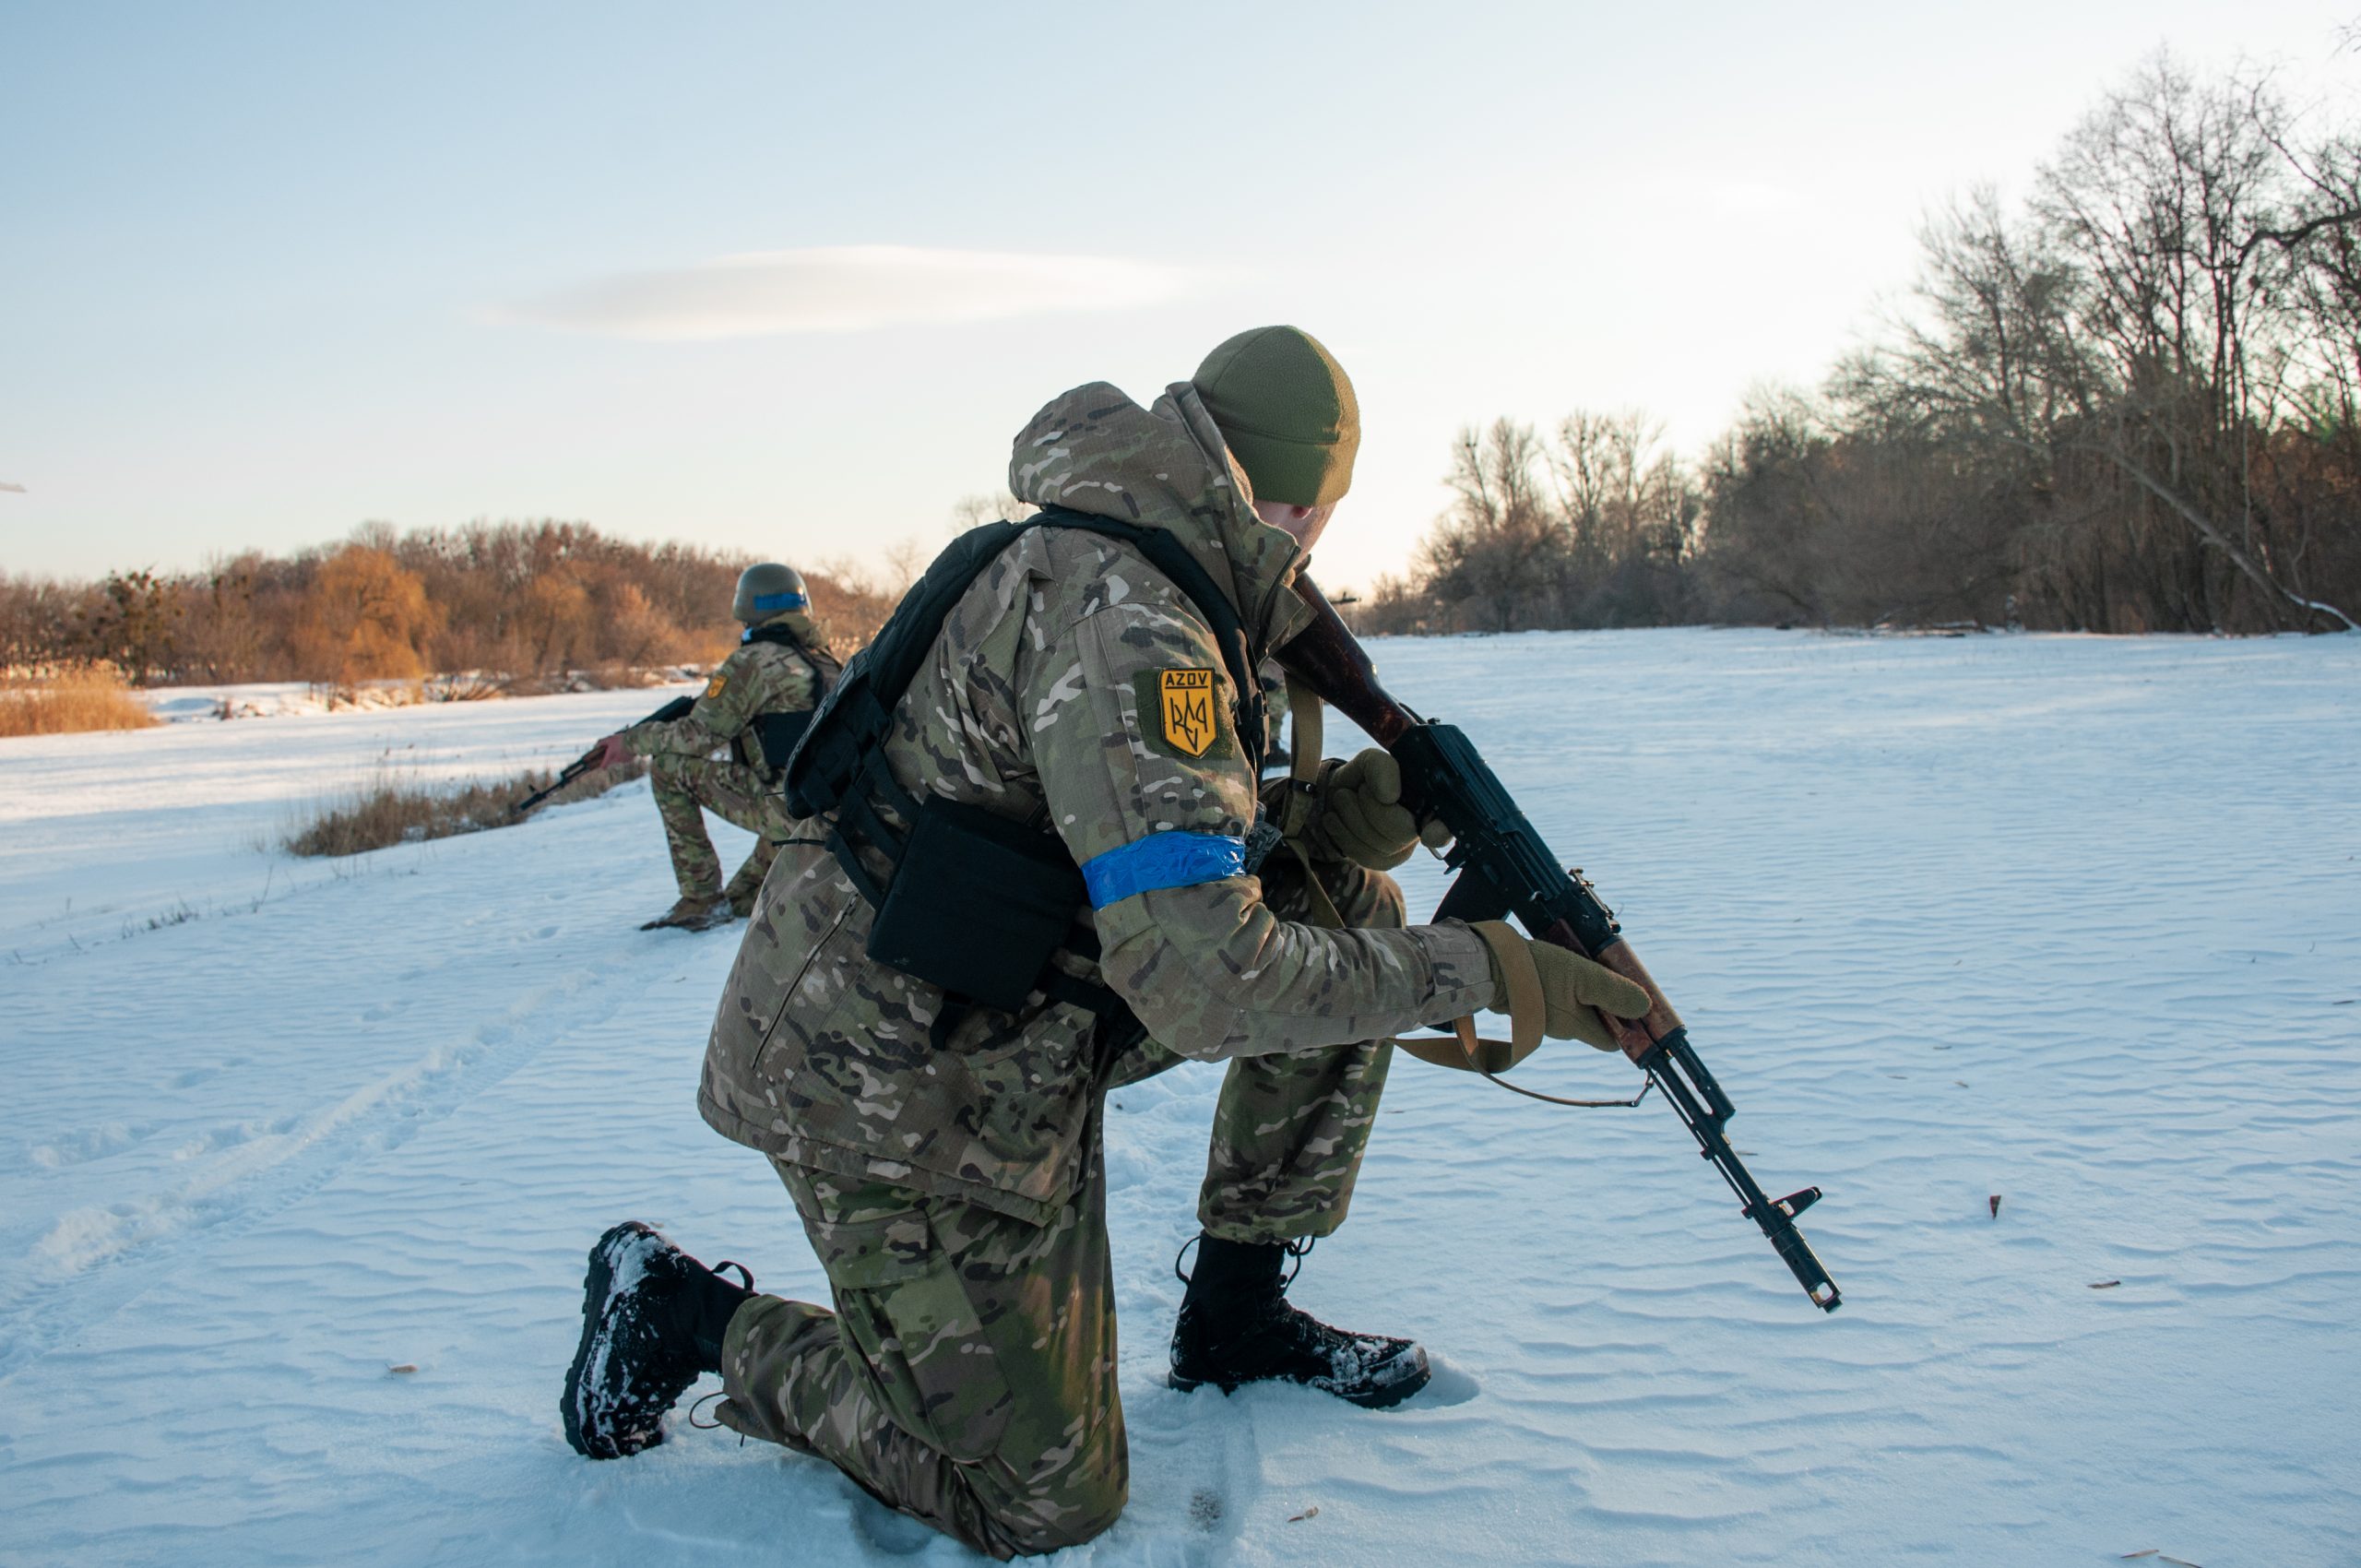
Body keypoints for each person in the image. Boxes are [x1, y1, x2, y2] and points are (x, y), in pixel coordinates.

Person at [561, 327, 1651, 1555]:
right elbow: (1203, 982)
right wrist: (1496, 971)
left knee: (1345, 911)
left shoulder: (1137, 563)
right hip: (888, 1081)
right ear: (1296, 500)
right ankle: (684, 1316)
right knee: (1039, 1497)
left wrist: (1337, 821)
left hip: (1004, 1008)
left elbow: (1116, 830)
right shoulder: (1135, 619)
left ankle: (1235, 1316)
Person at [586, 564, 839, 931]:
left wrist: (629, 742)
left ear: (748, 606)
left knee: (669, 768)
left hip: (786, 808)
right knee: (741, 903)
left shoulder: (755, 660)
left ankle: (700, 899)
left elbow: (699, 736)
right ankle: (733, 892)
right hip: (820, 808)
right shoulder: (823, 658)